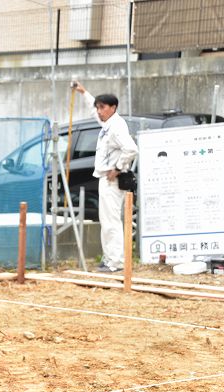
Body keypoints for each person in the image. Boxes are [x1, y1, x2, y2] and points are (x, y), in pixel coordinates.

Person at [73, 81, 138, 273]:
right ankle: (110, 258)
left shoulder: (116, 126)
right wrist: (84, 92)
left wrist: (117, 168)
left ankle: (116, 262)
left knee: (111, 222)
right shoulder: (108, 123)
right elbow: (94, 112)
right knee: (107, 221)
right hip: (106, 179)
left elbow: (132, 149)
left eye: (103, 107)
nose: (99, 111)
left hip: (113, 180)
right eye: (98, 107)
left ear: (113, 108)